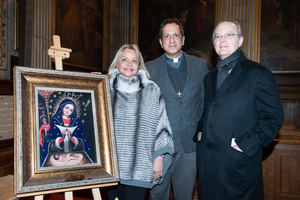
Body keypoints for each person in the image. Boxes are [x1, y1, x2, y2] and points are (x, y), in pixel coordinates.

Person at [195, 20, 283, 200]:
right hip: (208, 165)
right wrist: (200, 132)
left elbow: (273, 119)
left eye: (229, 35)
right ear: (213, 43)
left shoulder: (258, 74)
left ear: (240, 40)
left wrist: (244, 145)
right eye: (218, 36)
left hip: (237, 165)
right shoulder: (209, 78)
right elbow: (207, 111)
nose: (222, 40)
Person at [146, 18, 208, 200]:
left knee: (185, 196)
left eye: (176, 35)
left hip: (189, 147)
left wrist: (201, 130)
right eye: (166, 36)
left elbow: (205, 102)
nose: (171, 40)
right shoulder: (150, 69)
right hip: (159, 148)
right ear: (160, 42)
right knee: (158, 194)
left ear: (183, 39)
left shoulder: (200, 66)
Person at [106, 44, 174, 200]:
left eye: (134, 61)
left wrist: (159, 157)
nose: (129, 65)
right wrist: (90, 83)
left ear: (139, 65)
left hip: (140, 167)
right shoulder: (105, 88)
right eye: (124, 60)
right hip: (111, 169)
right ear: (117, 63)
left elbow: (162, 126)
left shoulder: (152, 90)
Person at [40, 99, 91, 166]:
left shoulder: (76, 121)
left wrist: (72, 138)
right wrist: (60, 138)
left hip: (73, 149)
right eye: (67, 108)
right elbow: (51, 136)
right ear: (62, 107)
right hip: (58, 150)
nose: (68, 111)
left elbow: (81, 136)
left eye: (71, 110)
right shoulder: (55, 120)